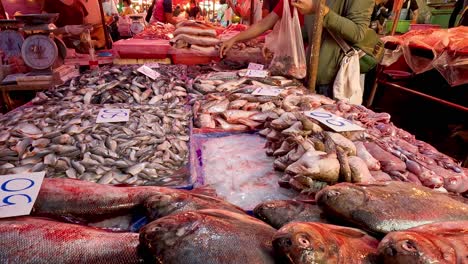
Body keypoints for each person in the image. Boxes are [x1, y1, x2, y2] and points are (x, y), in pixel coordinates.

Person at [221, 0, 374, 97]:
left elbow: (358, 33)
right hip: (309, 77)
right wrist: (278, 47)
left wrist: (319, 9)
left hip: (336, 79)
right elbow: (308, 32)